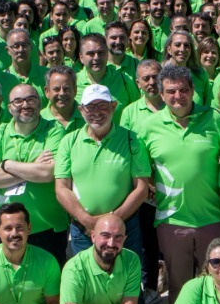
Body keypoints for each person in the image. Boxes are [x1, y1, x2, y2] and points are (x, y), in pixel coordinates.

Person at [139, 64, 220, 301]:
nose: (177, 96)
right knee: (180, 289)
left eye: (183, 90)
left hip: (213, 218)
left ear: (193, 90)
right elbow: (141, 169)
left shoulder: (214, 118)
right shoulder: (149, 127)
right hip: (172, 221)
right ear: (161, 94)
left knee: (218, 286)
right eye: (170, 91)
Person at [55, 84, 152, 257]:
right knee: (86, 280)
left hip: (123, 227)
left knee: (126, 279)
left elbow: (141, 188)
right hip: (83, 229)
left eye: (102, 106)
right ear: (81, 110)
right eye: (90, 107)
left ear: (113, 107)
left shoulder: (132, 140)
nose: (96, 112)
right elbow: (61, 188)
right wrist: (87, 220)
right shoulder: (69, 141)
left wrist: (113, 220)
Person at [0, 83, 68, 260]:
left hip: (48, 226)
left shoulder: (54, 130)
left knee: (49, 284)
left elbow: (47, 174)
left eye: (31, 99)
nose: (25, 105)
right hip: (8, 228)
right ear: (9, 107)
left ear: (40, 102)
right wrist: (33, 168)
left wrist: (7, 165)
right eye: (18, 101)